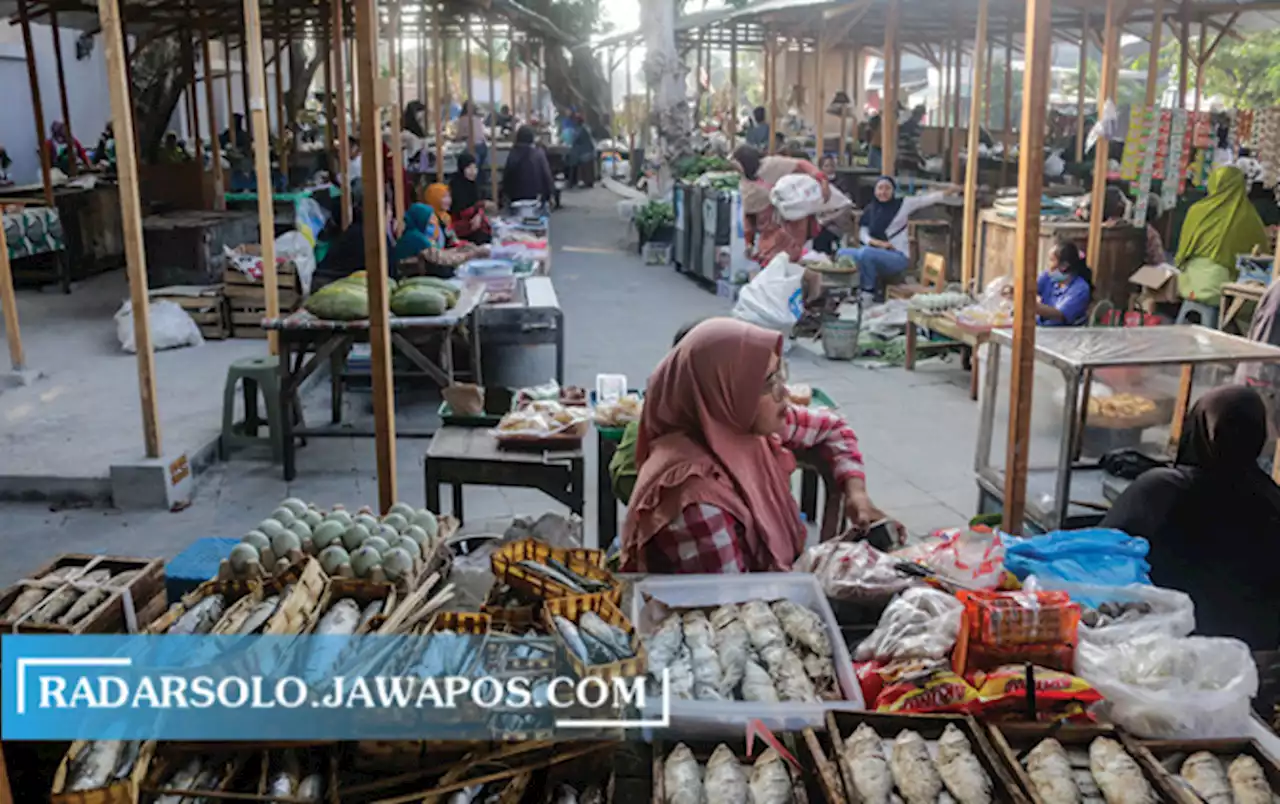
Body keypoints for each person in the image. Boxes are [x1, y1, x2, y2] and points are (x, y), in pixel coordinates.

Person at [620, 318, 894, 574]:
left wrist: (857, 496)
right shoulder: (695, 496)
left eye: (780, 375)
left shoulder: (739, 428)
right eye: (769, 383)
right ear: (726, 393)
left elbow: (834, 428)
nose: (784, 393)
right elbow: (736, 604)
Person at [1101, 386, 1280, 650]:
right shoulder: (1272, 500)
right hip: (1251, 654)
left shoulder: (1163, 490)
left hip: (1165, 648)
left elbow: (1097, 551)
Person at [836, 176, 951, 301]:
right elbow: (863, 233)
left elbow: (926, 199)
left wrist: (950, 190)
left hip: (897, 255)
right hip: (875, 251)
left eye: (887, 188)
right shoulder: (871, 209)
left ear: (893, 191)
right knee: (843, 253)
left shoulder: (902, 204)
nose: (883, 192)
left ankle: (868, 290)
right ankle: (850, 289)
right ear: (875, 191)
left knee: (865, 253)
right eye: (880, 188)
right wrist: (876, 243)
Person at [1175, 165, 1269, 306]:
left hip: (1187, 285)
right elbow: (1261, 258)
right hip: (1222, 290)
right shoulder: (1249, 217)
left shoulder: (1196, 210)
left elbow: (1181, 251)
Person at [733, 145, 830, 267]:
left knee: (792, 262)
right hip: (769, 232)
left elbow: (801, 164)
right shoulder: (746, 185)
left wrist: (822, 180)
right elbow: (749, 214)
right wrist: (749, 242)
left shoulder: (772, 165)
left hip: (793, 224)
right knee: (772, 265)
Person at [1035, 241, 1093, 326]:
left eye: (1051, 260)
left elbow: (1059, 315)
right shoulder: (1048, 276)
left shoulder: (1080, 289)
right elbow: (1030, 289)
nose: (1048, 264)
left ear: (1064, 266)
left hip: (1064, 335)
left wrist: (1031, 306)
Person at [502, 125, 554, 205]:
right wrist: (549, 195)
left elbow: (507, 176)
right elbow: (546, 175)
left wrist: (506, 195)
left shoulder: (513, 154)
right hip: (536, 197)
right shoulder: (538, 154)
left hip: (515, 198)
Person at [449, 152, 493, 244]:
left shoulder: (473, 185)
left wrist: (479, 215)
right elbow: (460, 211)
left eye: (475, 168)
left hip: (474, 222)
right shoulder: (456, 186)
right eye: (469, 168)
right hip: (460, 227)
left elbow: (477, 205)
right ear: (462, 168)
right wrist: (479, 208)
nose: (473, 171)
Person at [566, 113, 595, 188]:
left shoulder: (581, 129)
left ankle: (572, 181)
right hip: (588, 151)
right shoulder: (584, 128)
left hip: (585, 152)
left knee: (572, 161)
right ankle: (583, 181)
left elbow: (575, 139)